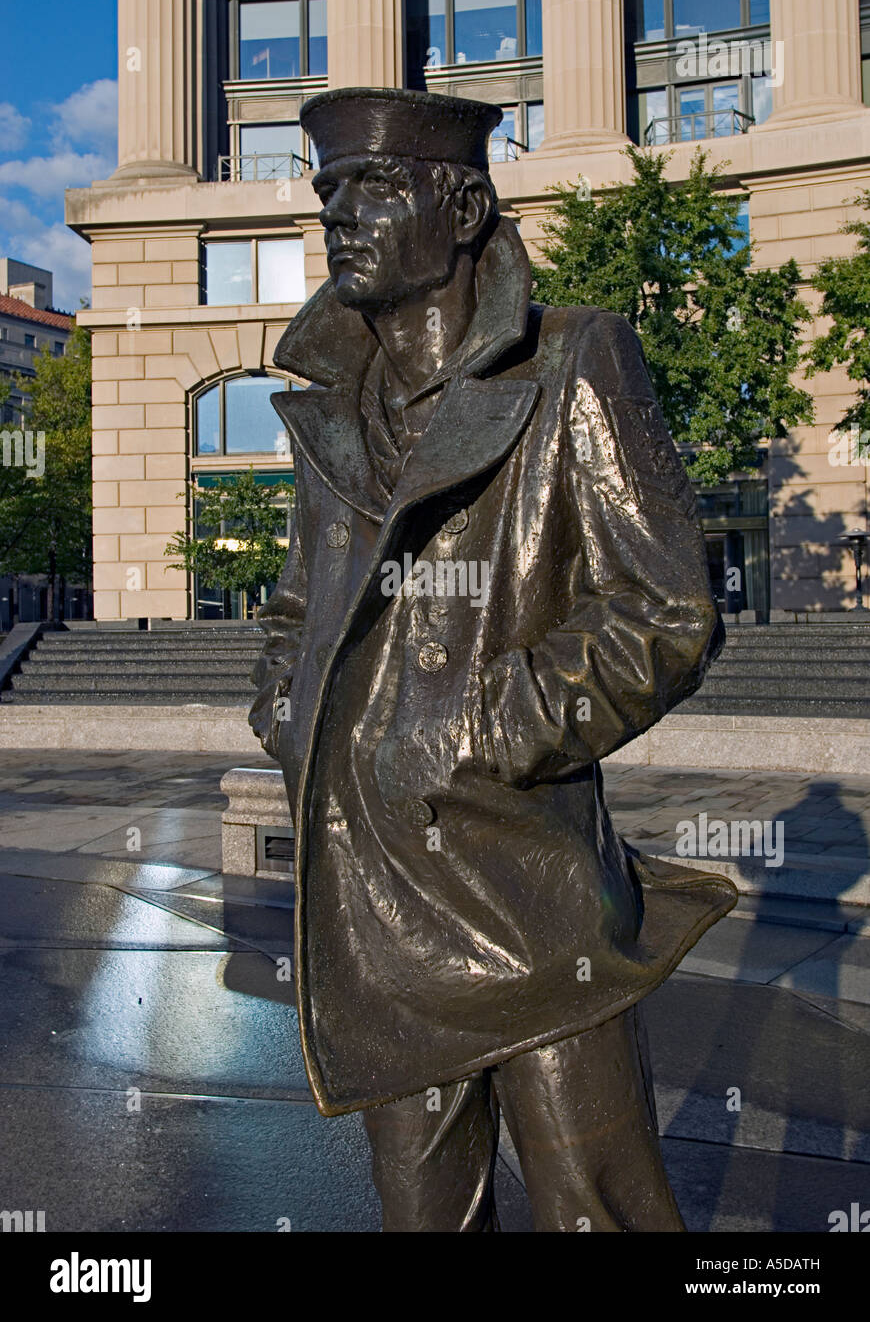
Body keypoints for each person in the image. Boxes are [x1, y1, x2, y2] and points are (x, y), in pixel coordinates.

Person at [249, 87, 737, 1232]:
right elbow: (294, 611)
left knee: (593, 1207)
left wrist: (483, 730)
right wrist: (287, 708)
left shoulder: (575, 360)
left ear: (464, 205)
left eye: (375, 186)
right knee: (424, 1218)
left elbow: (665, 610)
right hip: (373, 897)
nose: (341, 215)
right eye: (329, 192)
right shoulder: (334, 407)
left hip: (528, 896)